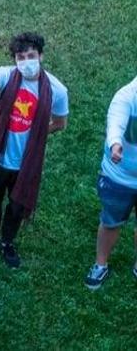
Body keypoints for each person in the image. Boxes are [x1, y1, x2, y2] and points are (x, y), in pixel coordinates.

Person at [0, 32, 69, 269]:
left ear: (41, 56)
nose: (26, 62)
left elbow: (61, 123)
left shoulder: (57, 90)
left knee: (17, 205)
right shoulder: (5, 74)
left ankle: (8, 243)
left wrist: (37, 134)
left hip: (25, 163)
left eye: (30, 56)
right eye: (20, 57)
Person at [86, 74, 137, 289]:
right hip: (119, 178)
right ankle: (100, 264)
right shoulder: (126, 97)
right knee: (110, 222)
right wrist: (115, 144)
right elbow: (115, 123)